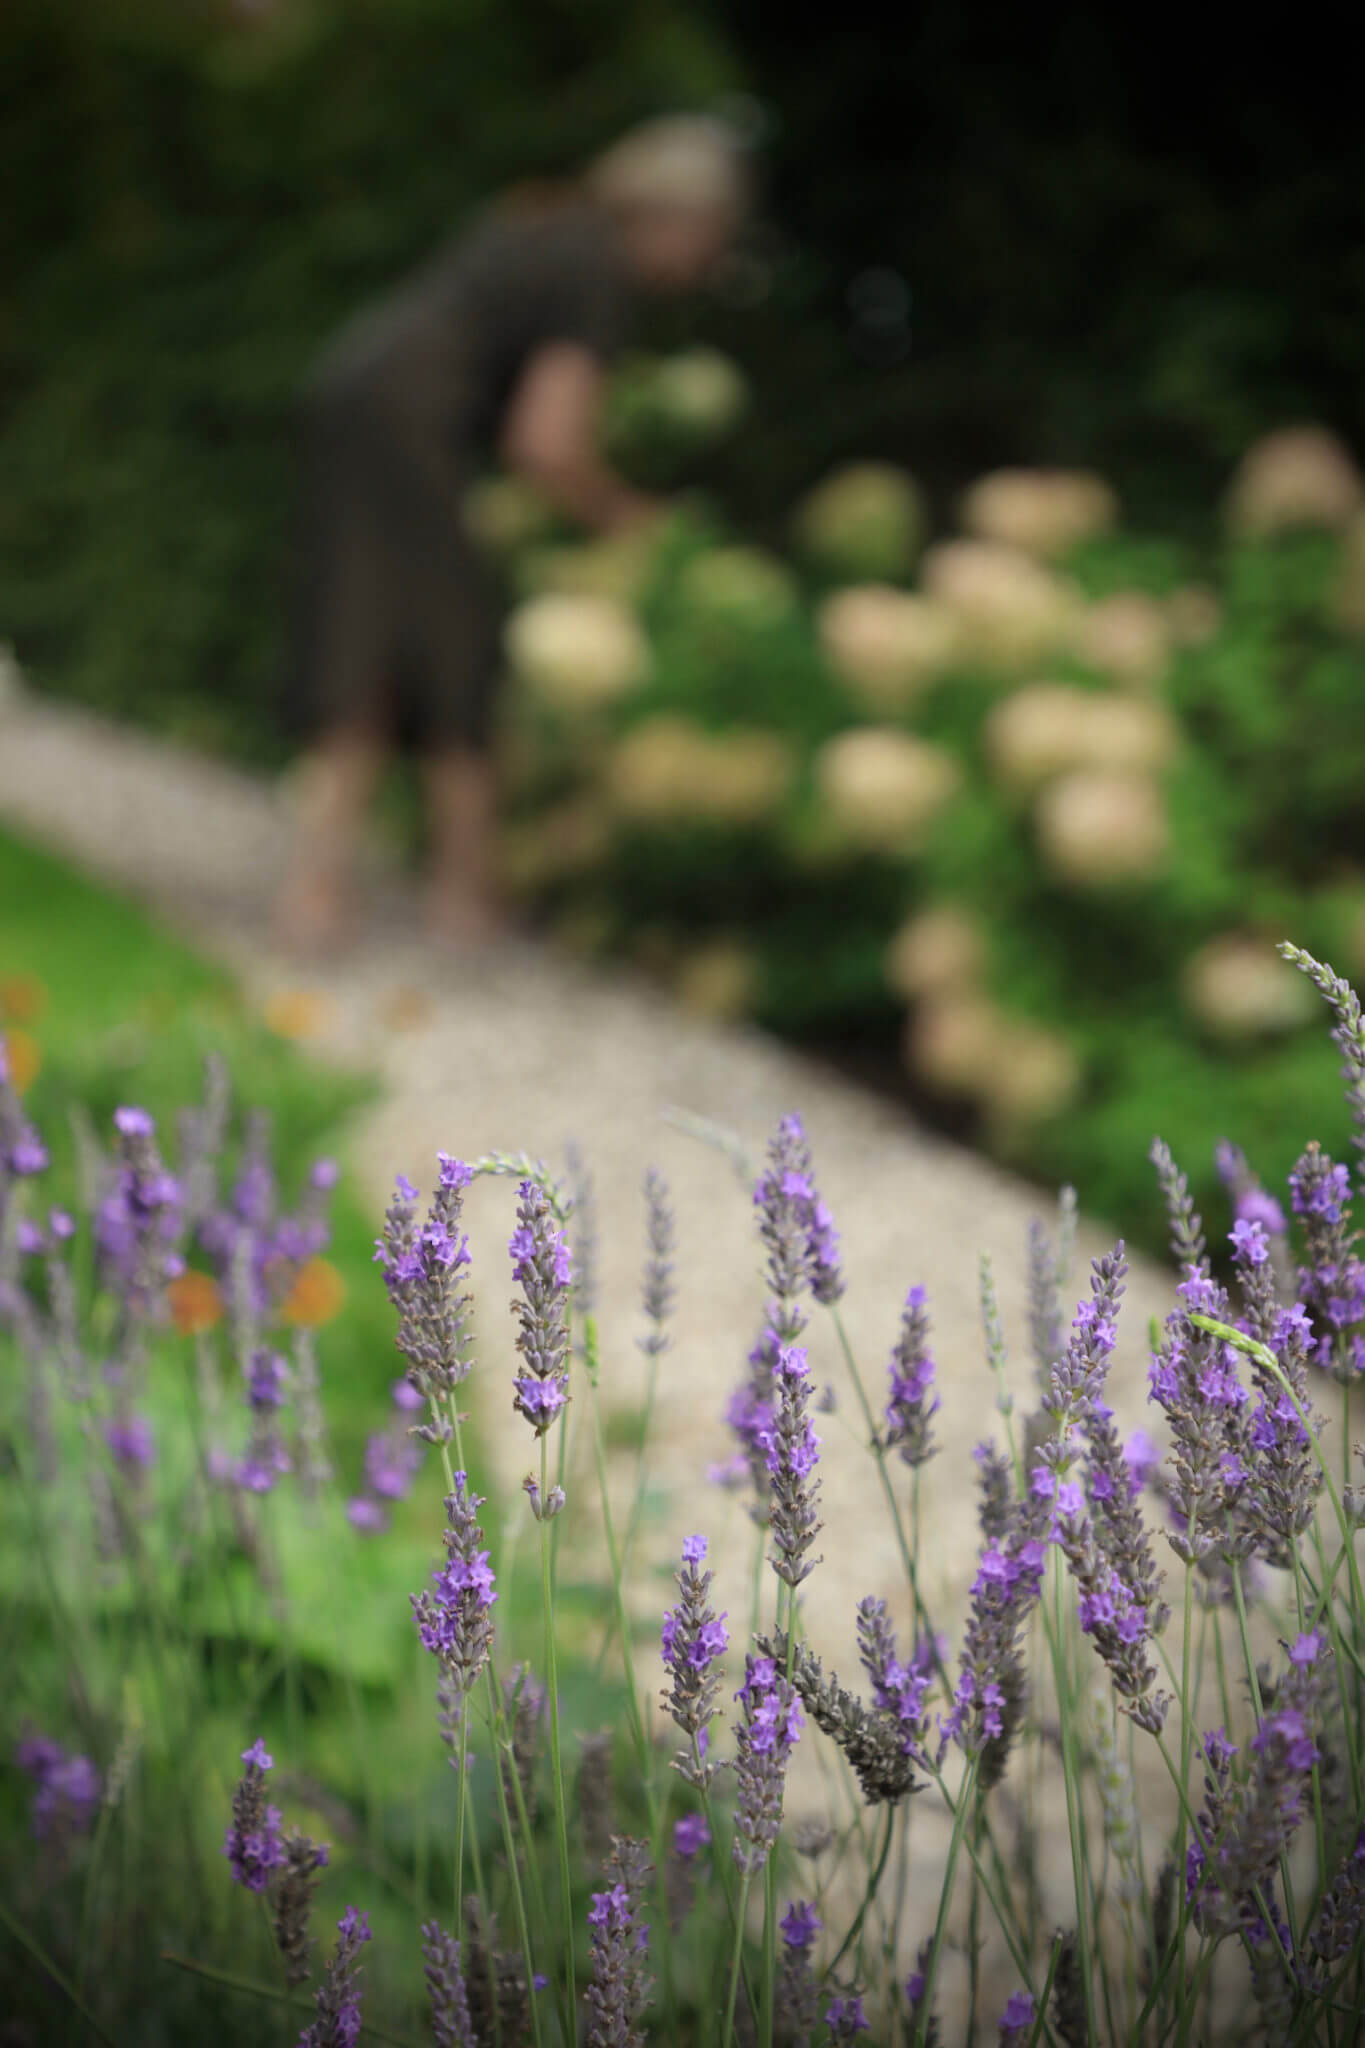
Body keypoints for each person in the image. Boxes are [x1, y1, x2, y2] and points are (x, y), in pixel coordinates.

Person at [275, 113, 752, 954]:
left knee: (368, 641)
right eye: (711, 238)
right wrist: (630, 516)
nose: (705, 265)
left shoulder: (546, 224)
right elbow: (547, 444)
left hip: (355, 399)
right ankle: (456, 901)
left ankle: (331, 889)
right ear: (674, 215)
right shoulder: (595, 272)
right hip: (408, 424)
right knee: (455, 653)